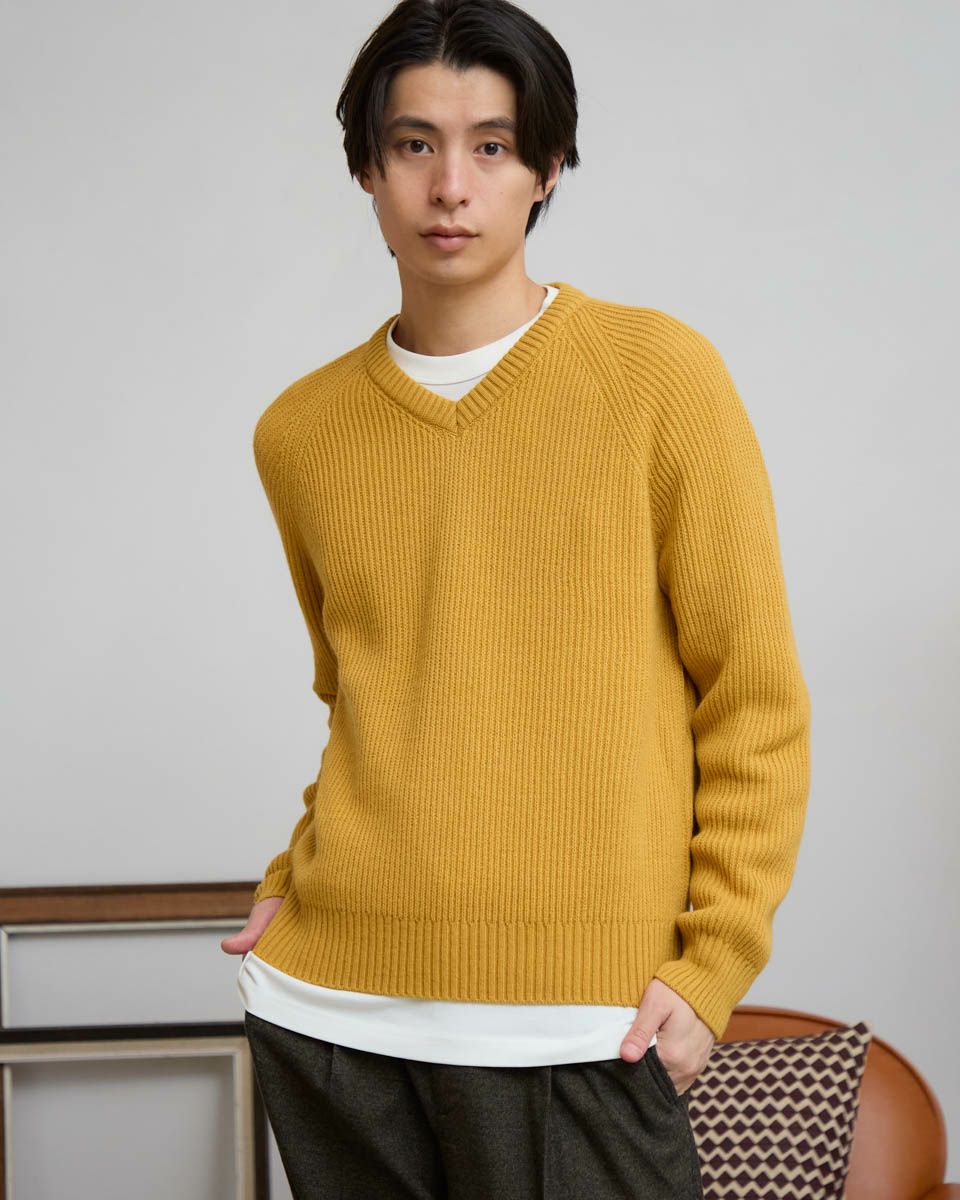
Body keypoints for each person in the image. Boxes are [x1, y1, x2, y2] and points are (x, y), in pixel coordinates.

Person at [220, 0, 811, 1196]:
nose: (452, 185)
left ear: (546, 168)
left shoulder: (660, 378)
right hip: (335, 1013)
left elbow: (753, 703)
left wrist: (713, 965)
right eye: (415, 144)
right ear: (367, 168)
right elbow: (365, 697)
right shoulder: (301, 432)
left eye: (491, 146)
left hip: (582, 1022)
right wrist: (292, 882)